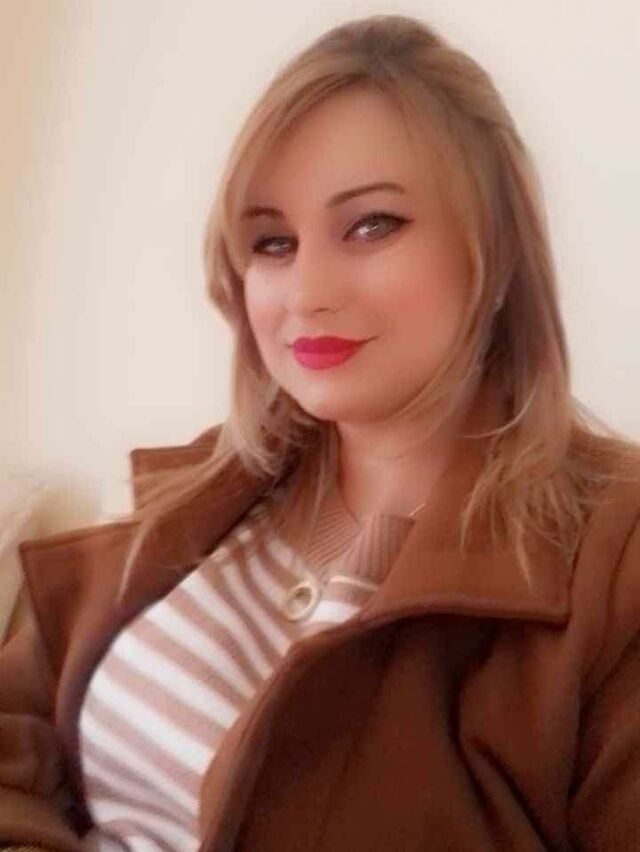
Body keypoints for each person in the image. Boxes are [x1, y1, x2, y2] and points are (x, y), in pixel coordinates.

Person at [1, 12, 639, 852]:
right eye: (273, 241)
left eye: (373, 225)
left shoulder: (617, 558)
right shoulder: (209, 488)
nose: (307, 292)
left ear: (497, 254)